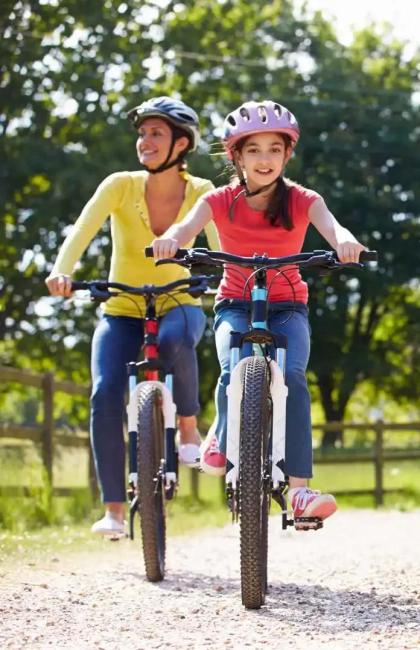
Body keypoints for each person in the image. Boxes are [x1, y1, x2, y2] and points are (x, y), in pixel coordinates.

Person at [151, 99, 367, 526]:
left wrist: (346, 243)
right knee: (233, 365)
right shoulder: (218, 200)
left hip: (288, 306)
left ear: (287, 154)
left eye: (274, 149)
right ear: (236, 156)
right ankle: (223, 433)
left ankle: (300, 491)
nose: (265, 159)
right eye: (254, 150)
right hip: (234, 302)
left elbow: (334, 227)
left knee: (291, 378)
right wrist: (171, 240)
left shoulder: (304, 200)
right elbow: (185, 228)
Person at [46, 96, 219, 536]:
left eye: (156, 133)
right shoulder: (119, 185)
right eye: (142, 133)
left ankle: (187, 427)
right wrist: (62, 271)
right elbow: (82, 230)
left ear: (182, 143)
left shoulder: (201, 193)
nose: (145, 140)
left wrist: (227, 280)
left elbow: (221, 252)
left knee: (177, 341)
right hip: (121, 308)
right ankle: (114, 511)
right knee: (105, 392)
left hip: (179, 301)